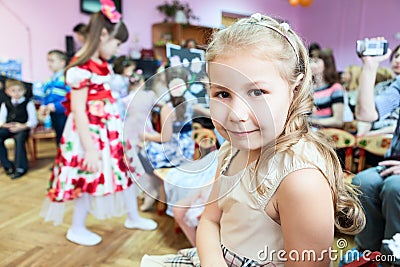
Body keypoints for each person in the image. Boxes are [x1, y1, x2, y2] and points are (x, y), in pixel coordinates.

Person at [141, 13, 365, 266]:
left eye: (257, 92)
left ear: (295, 89)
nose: (237, 115)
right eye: (222, 93)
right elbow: (209, 221)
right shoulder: (230, 150)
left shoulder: (300, 180)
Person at [40, 2, 157, 247]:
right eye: (116, 43)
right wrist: (90, 147)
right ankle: (77, 227)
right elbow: (78, 111)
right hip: (90, 133)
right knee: (89, 175)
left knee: (124, 171)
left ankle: (133, 217)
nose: (116, 49)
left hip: (109, 130)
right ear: (103, 35)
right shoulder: (81, 68)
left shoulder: (102, 66)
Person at [340, 40, 400, 267]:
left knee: (395, 187)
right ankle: (366, 252)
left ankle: (392, 258)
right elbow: (367, 113)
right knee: (362, 181)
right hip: (393, 161)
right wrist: (370, 66)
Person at [0, 79, 38, 179]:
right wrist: (6, 125)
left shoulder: (28, 103)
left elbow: (33, 121)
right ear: (7, 92)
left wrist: (22, 126)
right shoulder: (6, 104)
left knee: (19, 139)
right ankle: (7, 165)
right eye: (13, 90)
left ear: (24, 91)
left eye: (19, 90)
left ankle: (20, 168)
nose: (16, 93)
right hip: (9, 127)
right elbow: (1, 120)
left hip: (23, 127)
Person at [310, 48, 349, 129]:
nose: (311, 64)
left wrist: (310, 121)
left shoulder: (335, 88)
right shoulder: (308, 88)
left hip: (324, 133)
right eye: (311, 61)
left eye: (316, 61)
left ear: (326, 65)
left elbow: (338, 121)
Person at [38, 50, 70, 145]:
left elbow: (70, 96)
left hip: (64, 113)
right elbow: (45, 95)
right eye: (48, 60)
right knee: (58, 137)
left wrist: (56, 106)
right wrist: (43, 105)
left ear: (62, 62)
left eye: (52, 61)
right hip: (53, 113)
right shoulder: (49, 79)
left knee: (66, 137)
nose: (49, 64)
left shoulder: (67, 78)